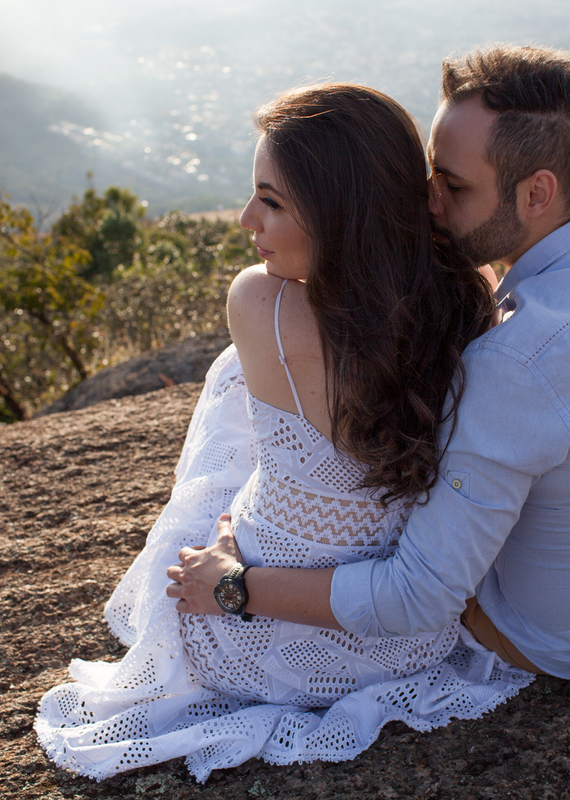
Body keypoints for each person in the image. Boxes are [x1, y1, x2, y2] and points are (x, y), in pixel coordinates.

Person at [169, 44, 570, 683]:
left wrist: (235, 586)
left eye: (455, 186)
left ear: (537, 193)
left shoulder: (517, 362)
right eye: (430, 178)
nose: (429, 205)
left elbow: (419, 597)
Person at [34, 83, 534, 784]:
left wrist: (231, 540)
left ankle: (235, 530)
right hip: (404, 643)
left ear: (340, 216)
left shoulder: (260, 302)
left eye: (271, 201)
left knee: (230, 388)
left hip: (249, 632)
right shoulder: (466, 299)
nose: (247, 220)